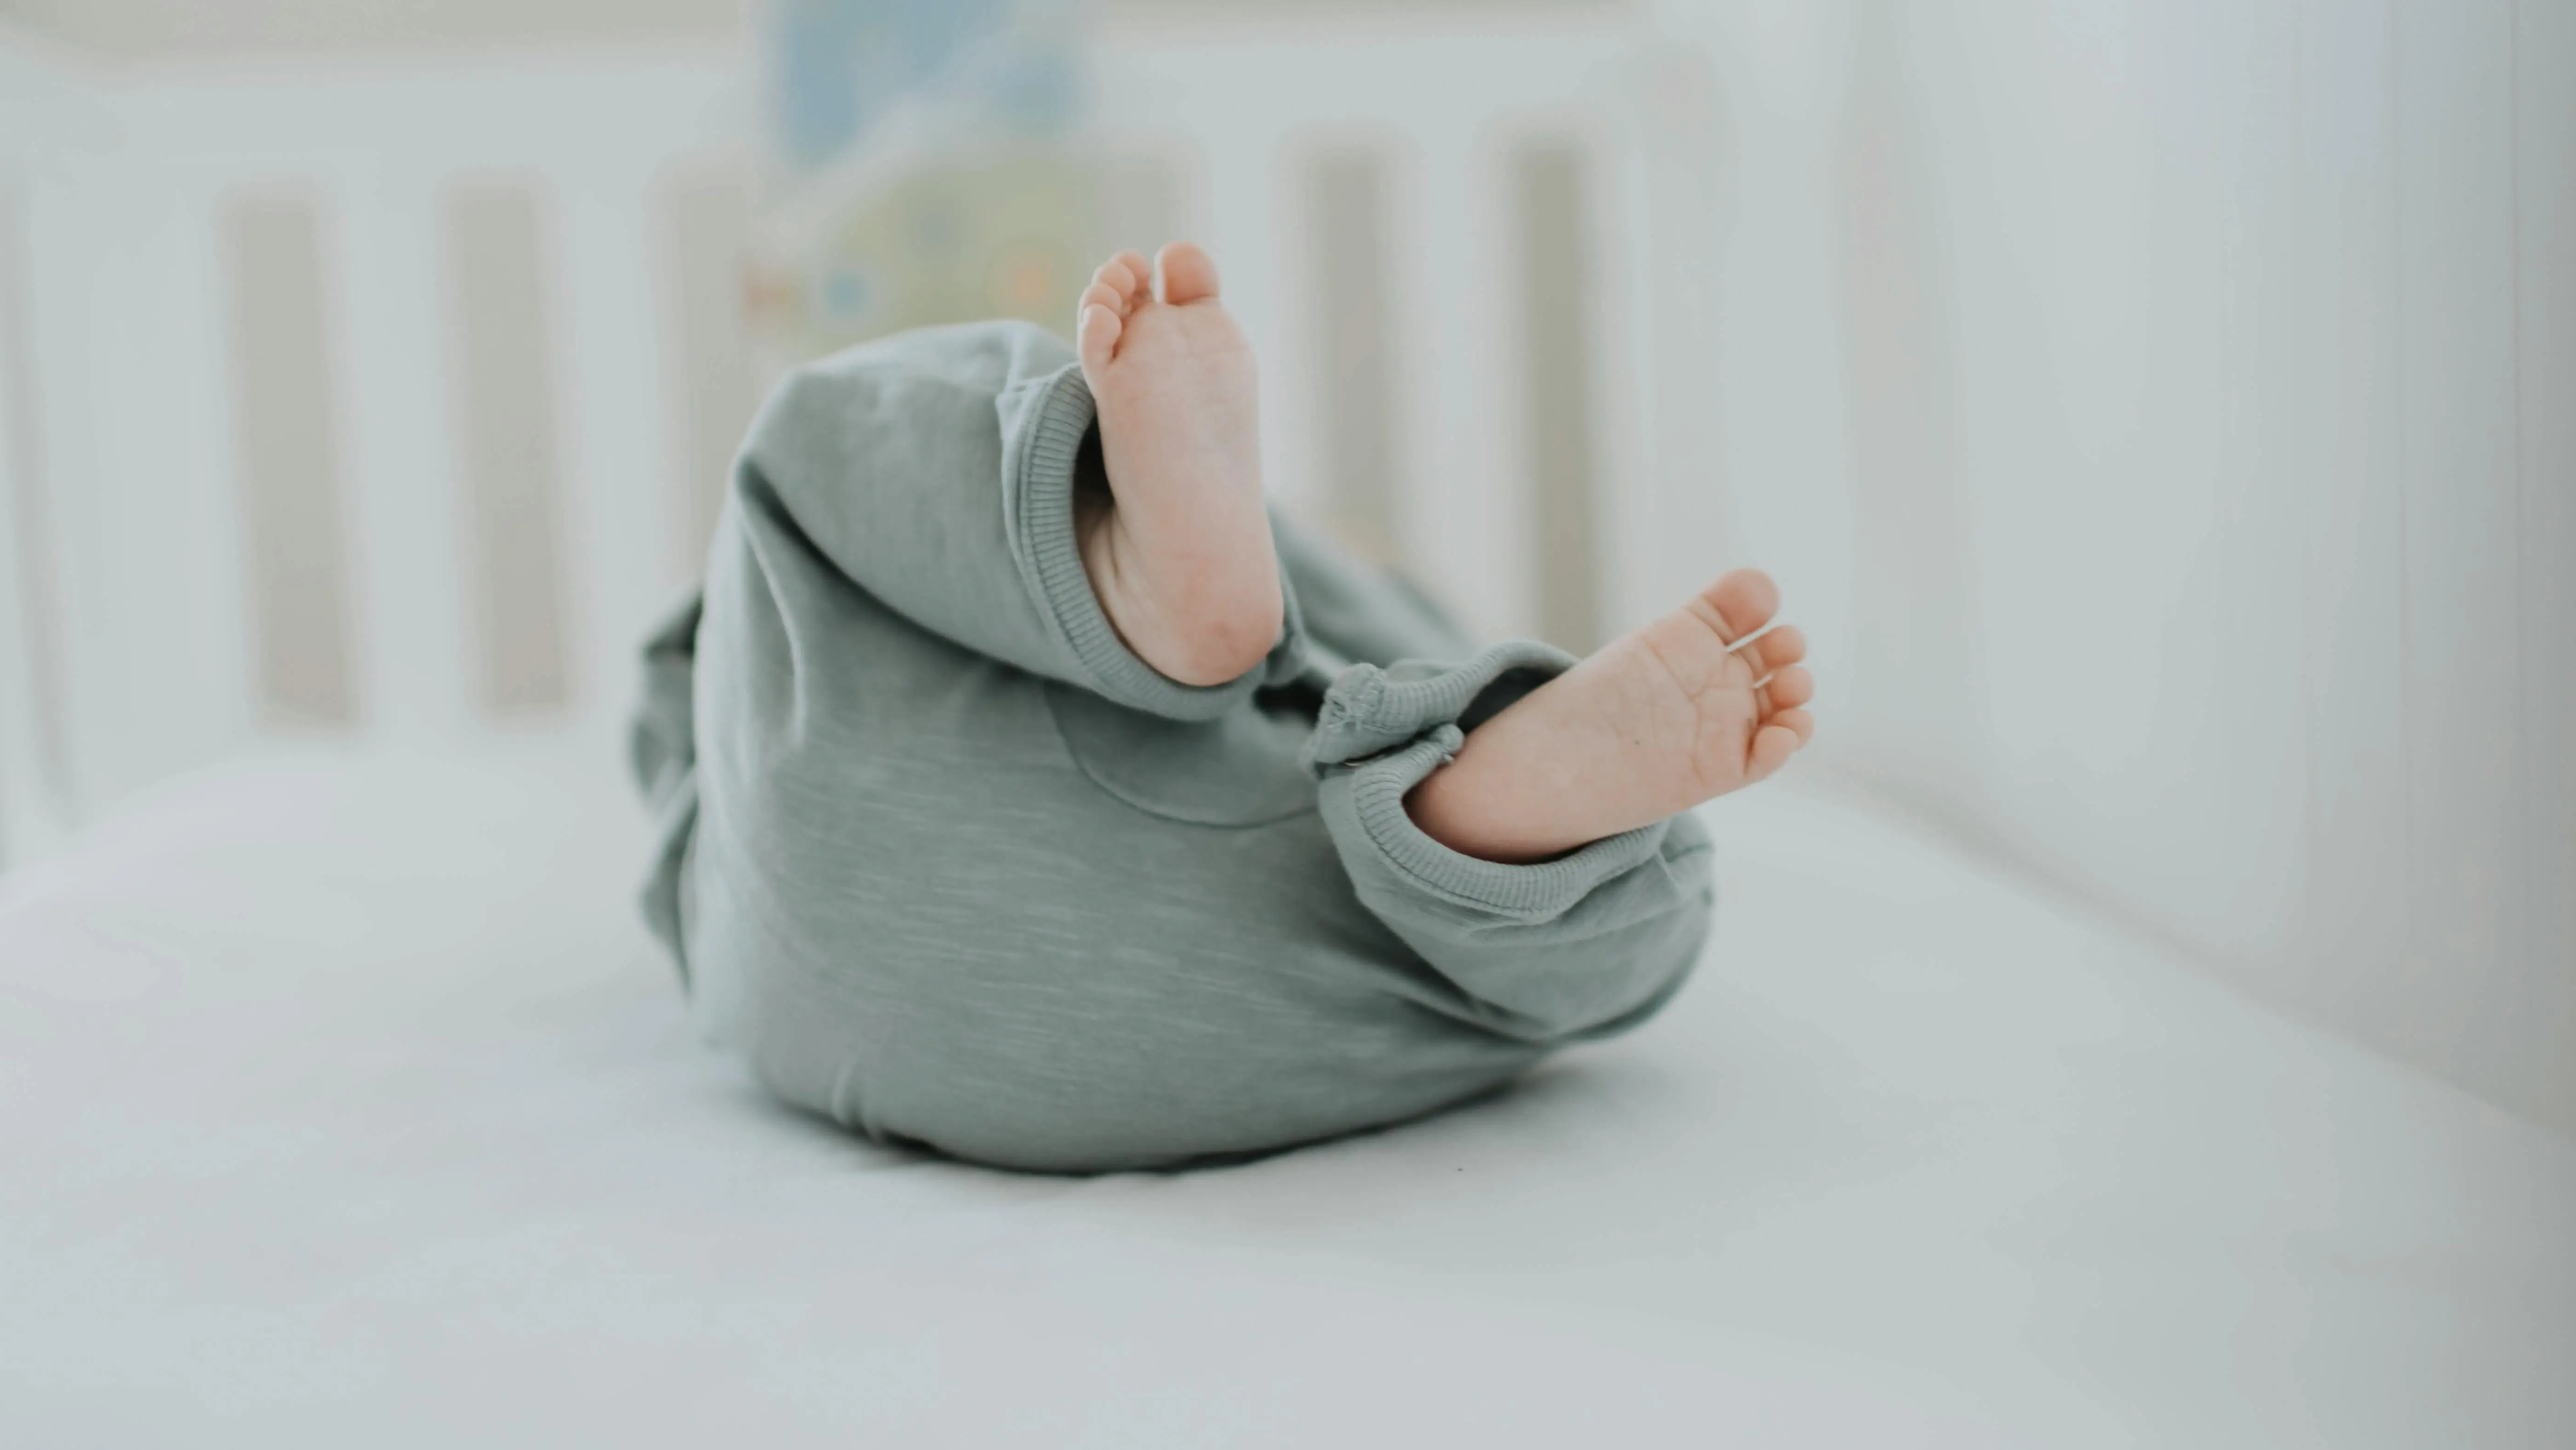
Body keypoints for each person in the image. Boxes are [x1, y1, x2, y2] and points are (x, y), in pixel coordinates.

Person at [630, 242, 1816, 1171]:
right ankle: (1475, 838)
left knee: (816, 453)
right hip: (1258, 982)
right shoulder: (1405, 650)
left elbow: (674, 706)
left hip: (851, 977)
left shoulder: (733, 788)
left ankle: (1099, 554)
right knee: (1639, 905)